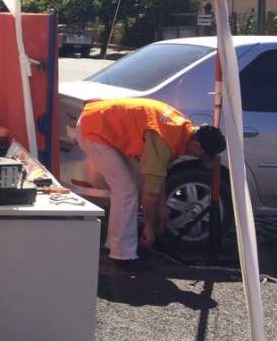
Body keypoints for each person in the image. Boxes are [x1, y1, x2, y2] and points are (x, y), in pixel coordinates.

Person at [76, 97, 226, 265]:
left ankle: (116, 245)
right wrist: (149, 226)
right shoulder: (165, 140)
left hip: (99, 120)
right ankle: (123, 255)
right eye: (203, 155)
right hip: (94, 129)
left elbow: (157, 177)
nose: (199, 158)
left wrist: (161, 210)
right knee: (126, 190)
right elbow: (150, 191)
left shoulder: (181, 130)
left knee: (128, 189)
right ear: (197, 146)